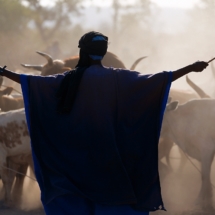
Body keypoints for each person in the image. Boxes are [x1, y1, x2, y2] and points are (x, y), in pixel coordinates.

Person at [0, 31, 208, 215]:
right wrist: (191, 67)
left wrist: (3, 72)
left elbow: (33, 84)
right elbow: (160, 80)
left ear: (82, 52)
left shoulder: (67, 80)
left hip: (76, 159)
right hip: (113, 157)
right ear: (103, 52)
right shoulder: (120, 78)